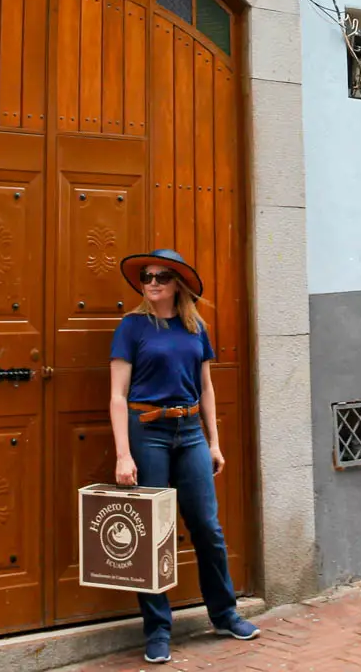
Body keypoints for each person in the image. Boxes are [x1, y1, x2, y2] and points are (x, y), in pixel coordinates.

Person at [109, 248, 260, 664]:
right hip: (148, 432)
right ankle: (157, 630)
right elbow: (117, 396)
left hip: (190, 431)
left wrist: (214, 441)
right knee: (151, 535)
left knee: (207, 528)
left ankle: (225, 614)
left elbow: (206, 388)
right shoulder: (132, 327)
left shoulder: (196, 328)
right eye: (147, 277)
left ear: (178, 284)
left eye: (161, 276)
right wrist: (124, 454)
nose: (152, 282)